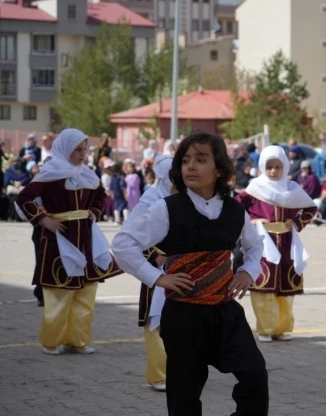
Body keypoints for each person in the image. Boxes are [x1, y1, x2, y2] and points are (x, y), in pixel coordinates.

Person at [111, 132, 269, 415]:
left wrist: (248, 272)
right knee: (184, 393)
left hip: (225, 313)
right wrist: (158, 277)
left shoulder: (234, 210)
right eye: (185, 160)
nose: (191, 166)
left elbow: (255, 245)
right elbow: (123, 244)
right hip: (183, 315)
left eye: (200, 159)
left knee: (255, 374)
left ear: (219, 169)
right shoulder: (167, 208)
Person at [17, 128, 122, 355]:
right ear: (65, 149)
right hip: (60, 236)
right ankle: (51, 341)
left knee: (86, 290)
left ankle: (77, 340)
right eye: (77, 150)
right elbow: (24, 197)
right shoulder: (51, 172)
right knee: (60, 291)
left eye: (85, 149)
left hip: (85, 236)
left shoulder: (87, 174)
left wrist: (94, 211)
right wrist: (43, 219)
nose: (82, 154)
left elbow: (100, 195)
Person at [238, 145, 318, 342]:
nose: (274, 171)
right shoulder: (254, 189)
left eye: (278, 167)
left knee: (285, 288)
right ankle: (266, 328)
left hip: (287, 243)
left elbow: (310, 207)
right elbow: (236, 209)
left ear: (286, 167)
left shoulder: (292, 190)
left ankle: (282, 328)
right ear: (262, 167)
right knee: (264, 286)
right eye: (270, 167)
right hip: (263, 243)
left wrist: (297, 222)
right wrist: (252, 222)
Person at [122, 155, 173, 392]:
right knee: (157, 322)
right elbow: (131, 237)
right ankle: (159, 374)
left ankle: (182, 372)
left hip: (184, 268)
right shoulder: (150, 200)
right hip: (157, 273)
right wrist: (154, 254)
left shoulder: (190, 198)